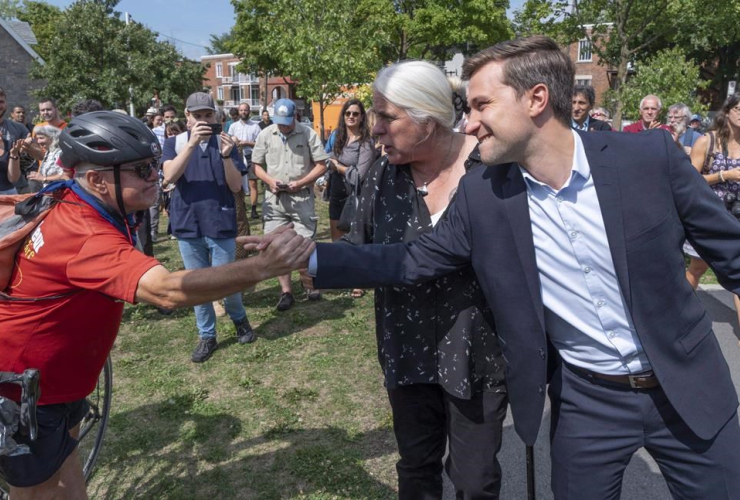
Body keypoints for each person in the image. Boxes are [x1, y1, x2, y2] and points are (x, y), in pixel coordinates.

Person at [265, 36, 740, 498]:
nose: (468, 124)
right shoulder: (485, 194)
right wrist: (310, 254)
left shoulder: (648, 159)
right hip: (587, 405)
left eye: (480, 106)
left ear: (535, 100)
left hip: (687, 387)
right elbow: (413, 258)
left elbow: (732, 252)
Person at [0, 111, 312, 500]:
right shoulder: (84, 234)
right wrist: (263, 268)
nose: (156, 174)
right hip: (29, 390)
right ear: (97, 179)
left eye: (153, 164)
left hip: (56, 382)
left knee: (66, 476)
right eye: (142, 168)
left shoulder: (80, 200)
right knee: (37, 492)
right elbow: (166, 291)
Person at [343, 61, 508, 498]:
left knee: (475, 481)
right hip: (407, 351)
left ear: (428, 119)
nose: (375, 129)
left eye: (386, 117)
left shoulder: (492, 169)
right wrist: (305, 256)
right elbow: (359, 250)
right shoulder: (382, 176)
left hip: (479, 354)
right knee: (416, 470)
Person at [162, 92, 257, 362]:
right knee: (197, 285)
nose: (203, 120)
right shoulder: (175, 143)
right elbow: (169, 176)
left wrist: (227, 156)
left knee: (227, 282)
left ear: (216, 116)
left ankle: (240, 320)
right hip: (188, 224)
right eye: (197, 116)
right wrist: (191, 144)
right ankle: (207, 335)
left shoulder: (226, 143)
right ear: (187, 117)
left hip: (219, 221)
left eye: (208, 115)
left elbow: (237, 186)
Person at [252, 98, 329, 310]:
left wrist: (301, 182)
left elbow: (322, 165)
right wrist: (269, 181)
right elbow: (256, 165)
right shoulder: (266, 134)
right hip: (274, 199)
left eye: (287, 121)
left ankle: (310, 283)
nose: (283, 125)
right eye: (280, 121)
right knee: (276, 245)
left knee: (305, 243)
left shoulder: (307, 134)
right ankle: (286, 292)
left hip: (301, 197)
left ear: (295, 116)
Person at [684, 93, 740, 337]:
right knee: (696, 269)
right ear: (727, 112)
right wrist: (724, 176)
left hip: (737, 218)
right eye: (738, 108)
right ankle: (678, 316)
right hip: (711, 219)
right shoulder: (707, 141)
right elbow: (690, 180)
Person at [326, 99, 377, 241]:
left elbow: (358, 176)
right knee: (336, 242)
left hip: (355, 197)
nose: (351, 116)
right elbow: (329, 156)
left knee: (354, 243)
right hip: (336, 194)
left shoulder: (366, 143)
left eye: (355, 113)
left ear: (361, 117)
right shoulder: (339, 138)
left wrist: (338, 167)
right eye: (347, 113)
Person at [228, 102, 262, 219]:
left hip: (251, 156)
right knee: (238, 183)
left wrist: (247, 143)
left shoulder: (255, 126)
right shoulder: (233, 126)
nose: (243, 112)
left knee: (253, 183)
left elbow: (260, 144)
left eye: (245, 110)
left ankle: (253, 209)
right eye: (241, 110)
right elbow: (228, 142)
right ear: (238, 111)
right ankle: (241, 207)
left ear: (249, 111)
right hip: (237, 156)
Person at [0, 88, 31, 195]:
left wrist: (17, 152)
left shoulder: (19, 128)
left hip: (9, 192)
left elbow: (13, 178)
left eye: (1, 102)